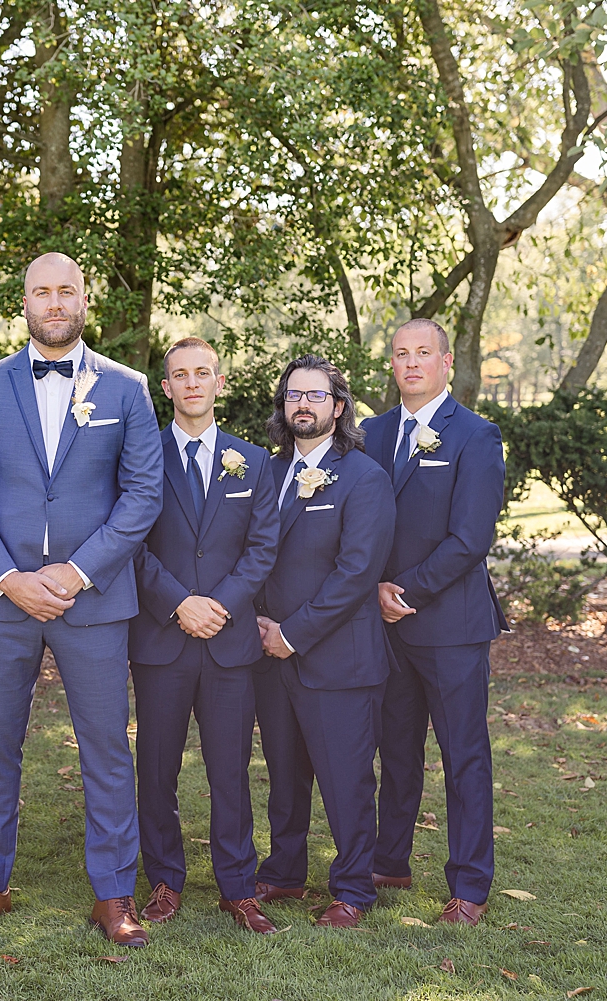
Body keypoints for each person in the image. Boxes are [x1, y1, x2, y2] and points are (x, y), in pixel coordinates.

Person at [0, 252, 163, 946]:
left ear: (84, 297)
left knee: (105, 748)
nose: (55, 301)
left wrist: (76, 572)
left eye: (67, 289)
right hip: (2, 598)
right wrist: (9, 576)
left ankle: (114, 895)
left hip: (92, 600)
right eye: (43, 290)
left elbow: (143, 494)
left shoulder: (127, 388)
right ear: (26, 301)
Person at [129, 337, 279, 934]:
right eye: (180, 375)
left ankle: (239, 887)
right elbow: (131, 544)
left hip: (228, 640)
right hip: (162, 640)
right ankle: (165, 880)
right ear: (166, 388)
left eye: (204, 373)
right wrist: (178, 603)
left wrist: (218, 605)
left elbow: (263, 547)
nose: (193, 383)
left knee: (230, 769)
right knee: (157, 766)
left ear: (220, 382)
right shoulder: (140, 457)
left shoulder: (254, 462)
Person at [366, 318, 507, 926]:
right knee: (395, 751)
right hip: (381, 623)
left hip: (450, 625)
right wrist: (369, 587)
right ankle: (390, 859)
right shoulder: (369, 434)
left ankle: (469, 886)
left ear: (447, 363)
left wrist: (408, 590)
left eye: (424, 353)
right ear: (392, 365)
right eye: (402, 354)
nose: (412, 363)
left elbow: (472, 537)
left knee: (463, 755)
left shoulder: (475, 436)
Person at [251, 355, 395, 928]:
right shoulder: (266, 470)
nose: (302, 405)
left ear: (338, 406)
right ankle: (285, 869)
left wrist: (292, 633)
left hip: (338, 658)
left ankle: (354, 888)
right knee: (284, 773)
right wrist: (262, 628)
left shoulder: (365, 477)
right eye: (292, 395)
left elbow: (357, 573)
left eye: (315, 395)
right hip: (269, 655)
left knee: (345, 779)